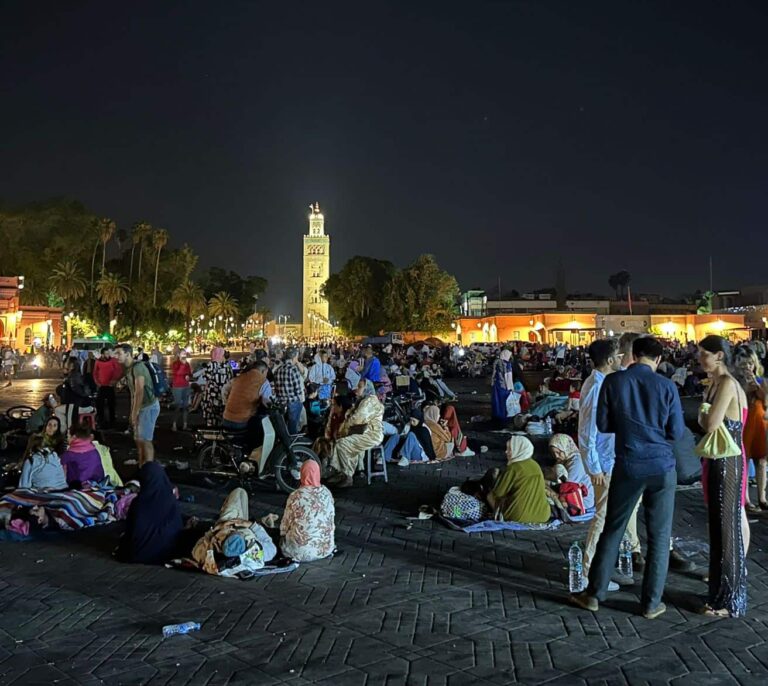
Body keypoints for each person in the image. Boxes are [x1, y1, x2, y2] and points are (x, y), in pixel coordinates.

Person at [572, 336, 685, 620]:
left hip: (628, 465)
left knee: (613, 528)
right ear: (658, 360)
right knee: (658, 537)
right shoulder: (667, 386)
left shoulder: (614, 382)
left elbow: (604, 424)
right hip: (661, 467)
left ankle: (595, 594)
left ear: (633, 354)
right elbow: (676, 432)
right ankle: (651, 603)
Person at [697, 335, 749, 617]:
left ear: (718, 355)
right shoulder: (715, 384)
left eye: (704, 353)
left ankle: (729, 600)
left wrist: (704, 415)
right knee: (717, 529)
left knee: (727, 530)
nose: (700, 359)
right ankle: (718, 594)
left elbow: (710, 424)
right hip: (718, 460)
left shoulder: (727, 384)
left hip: (728, 462)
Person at [578, 338, 631, 587]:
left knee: (607, 516)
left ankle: (600, 568)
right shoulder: (596, 387)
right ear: (610, 360)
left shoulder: (602, 383)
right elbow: (587, 431)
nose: (622, 359)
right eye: (620, 356)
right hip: (603, 463)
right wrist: (594, 466)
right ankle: (591, 574)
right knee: (602, 517)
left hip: (608, 460)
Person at [191, 487, 277, 577]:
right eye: (232, 531)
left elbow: (195, 549)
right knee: (240, 493)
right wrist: (251, 525)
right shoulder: (255, 554)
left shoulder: (209, 556)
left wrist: (215, 530)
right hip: (244, 528)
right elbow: (270, 546)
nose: (232, 529)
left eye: (231, 531)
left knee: (239, 492)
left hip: (222, 526)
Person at [116, 462, 184, 564]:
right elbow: (177, 527)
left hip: (138, 554)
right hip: (167, 554)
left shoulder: (138, 503)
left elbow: (131, 531)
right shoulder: (171, 500)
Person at [328, 380, 384, 487]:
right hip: (364, 432)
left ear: (366, 388)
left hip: (371, 434)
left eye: (360, 387)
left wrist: (347, 424)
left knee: (342, 444)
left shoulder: (370, 401)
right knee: (344, 442)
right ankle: (341, 473)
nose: (356, 389)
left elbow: (357, 419)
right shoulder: (363, 400)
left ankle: (347, 476)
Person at [732, 345, 767, 511]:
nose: (748, 367)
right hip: (744, 423)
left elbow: (766, 401)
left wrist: (758, 387)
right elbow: (738, 404)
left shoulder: (762, 380)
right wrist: (746, 389)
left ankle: (762, 497)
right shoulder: (734, 383)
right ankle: (746, 499)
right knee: (744, 461)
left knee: (761, 461)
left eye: (750, 364)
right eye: (744, 364)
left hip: (760, 423)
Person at [280, 460, 335, 561]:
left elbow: (285, 525)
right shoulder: (326, 493)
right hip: (325, 549)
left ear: (302, 474)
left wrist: (282, 535)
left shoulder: (296, 496)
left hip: (298, 553)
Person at [115, 343, 160, 466]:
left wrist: (134, 413)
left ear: (128, 354)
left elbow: (139, 392)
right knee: (139, 439)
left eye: (119, 353)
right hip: (142, 408)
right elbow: (133, 393)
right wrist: (133, 412)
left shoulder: (138, 367)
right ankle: (141, 465)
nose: (116, 356)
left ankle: (150, 469)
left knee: (146, 440)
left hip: (148, 407)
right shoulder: (129, 369)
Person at [487, 436, 550, 523]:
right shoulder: (535, 465)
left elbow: (498, 493)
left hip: (518, 517)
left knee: (490, 495)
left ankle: (498, 515)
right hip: (543, 515)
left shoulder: (513, 468)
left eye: (510, 449)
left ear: (519, 450)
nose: (506, 452)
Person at [222, 359, 271, 452]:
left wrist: (226, 402)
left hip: (226, 418)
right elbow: (267, 400)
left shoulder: (239, 377)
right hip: (242, 421)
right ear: (264, 371)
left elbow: (224, 389)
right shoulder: (263, 381)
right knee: (257, 435)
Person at [549, 433, 594, 511]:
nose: (556, 456)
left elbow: (568, 486)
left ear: (566, 448)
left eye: (559, 452)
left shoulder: (577, 462)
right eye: (553, 453)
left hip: (582, 501)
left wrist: (548, 484)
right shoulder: (563, 460)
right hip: (569, 494)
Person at [59, 422, 106, 487]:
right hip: (99, 487)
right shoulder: (94, 451)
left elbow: (61, 477)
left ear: (74, 437)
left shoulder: (68, 455)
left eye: (68, 436)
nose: (67, 439)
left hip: (78, 490)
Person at [274, 347, 306, 434]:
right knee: (293, 425)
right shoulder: (293, 369)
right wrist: (301, 399)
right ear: (295, 357)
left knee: (284, 426)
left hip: (281, 403)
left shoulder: (278, 370)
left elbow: (276, 388)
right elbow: (298, 389)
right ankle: (292, 443)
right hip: (293, 402)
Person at [201, 346, 232, 427]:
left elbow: (205, 378)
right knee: (221, 414)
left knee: (211, 415)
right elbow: (231, 378)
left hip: (211, 394)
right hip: (223, 394)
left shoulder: (211, 365)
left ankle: (211, 432)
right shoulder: (227, 366)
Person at [93, 347, 122, 429]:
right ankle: (101, 421)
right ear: (102, 354)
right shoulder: (98, 362)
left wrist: (113, 380)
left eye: (108, 353)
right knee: (100, 405)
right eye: (106, 354)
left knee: (111, 404)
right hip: (102, 386)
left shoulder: (113, 361)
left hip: (110, 386)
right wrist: (98, 383)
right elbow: (95, 373)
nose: (107, 355)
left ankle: (112, 421)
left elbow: (118, 371)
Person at [170, 351, 193, 431]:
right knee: (177, 406)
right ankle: (174, 424)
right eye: (182, 353)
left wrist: (188, 376)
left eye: (185, 353)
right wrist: (182, 364)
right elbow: (177, 373)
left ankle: (185, 424)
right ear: (178, 355)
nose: (184, 355)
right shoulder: (175, 363)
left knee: (185, 406)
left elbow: (190, 373)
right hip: (177, 387)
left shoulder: (187, 364)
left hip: (186, 386)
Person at [491, 348, 513, 422]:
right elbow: (508, 377)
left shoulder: (496, 361)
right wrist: (511, 388)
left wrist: (492, 382)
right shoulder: (507, 364)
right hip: (505, 386)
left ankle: (496, 416)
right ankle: (503, 417)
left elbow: (493, 374)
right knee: (504, 402)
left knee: (496, 401)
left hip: (496, 385)